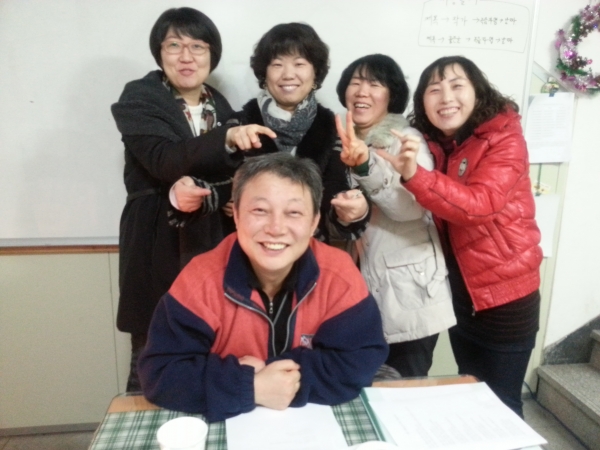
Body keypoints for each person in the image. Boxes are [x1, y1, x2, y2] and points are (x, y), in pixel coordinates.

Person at [138, 153, 388, 422]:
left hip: (311, 424)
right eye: (260, 210)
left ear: (314, 222)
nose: (276, 228)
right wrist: (251, 386)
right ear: (236, 215)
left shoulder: (338, 275)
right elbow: (160, 374)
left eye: (293, 213)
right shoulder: (200, 280)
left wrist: (273, 379)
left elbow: (359, 361)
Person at [376, 55, 542, 417]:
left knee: (502, 405)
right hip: (459, 294)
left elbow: (479, 206)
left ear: (477, 91)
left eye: (456, 86)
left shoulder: (505, 138)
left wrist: (414, 175)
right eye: (434, 90)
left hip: (505, 295)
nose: (446, 98)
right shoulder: (432, 143)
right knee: (471, 394)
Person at [111, 7, 240, 392]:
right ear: (159, 52)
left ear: (212, 55)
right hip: (156, 237)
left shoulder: (224, 108)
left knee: (213, 346)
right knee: (152, 358)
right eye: (174, 45)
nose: (187, 57)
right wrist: (226, 141)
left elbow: (238, 177)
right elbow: (164, 160)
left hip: (212, 240)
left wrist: (227, 195)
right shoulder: (140, 98)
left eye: (198, 47)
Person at [172, 22, 369, 254]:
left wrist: (353, 210)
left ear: (315, 73)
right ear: (264, 73)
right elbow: (219, 183)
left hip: (308, 252)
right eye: (277, 64)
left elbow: (335, 193)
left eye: (299, 64)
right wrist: (189, 194)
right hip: (247, 251)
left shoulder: (331, 129)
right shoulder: (240, 123)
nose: (288, 74)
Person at [334, 54, 455, 378]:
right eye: (355, 83)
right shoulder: (342, 141)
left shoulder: (405, 140)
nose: (362, 91)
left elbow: (411, 208)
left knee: (406, 388)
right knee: (363, 385)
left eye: (374, 84)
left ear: (392, 95)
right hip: (362, 287)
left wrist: (365, 167)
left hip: (408, 292)